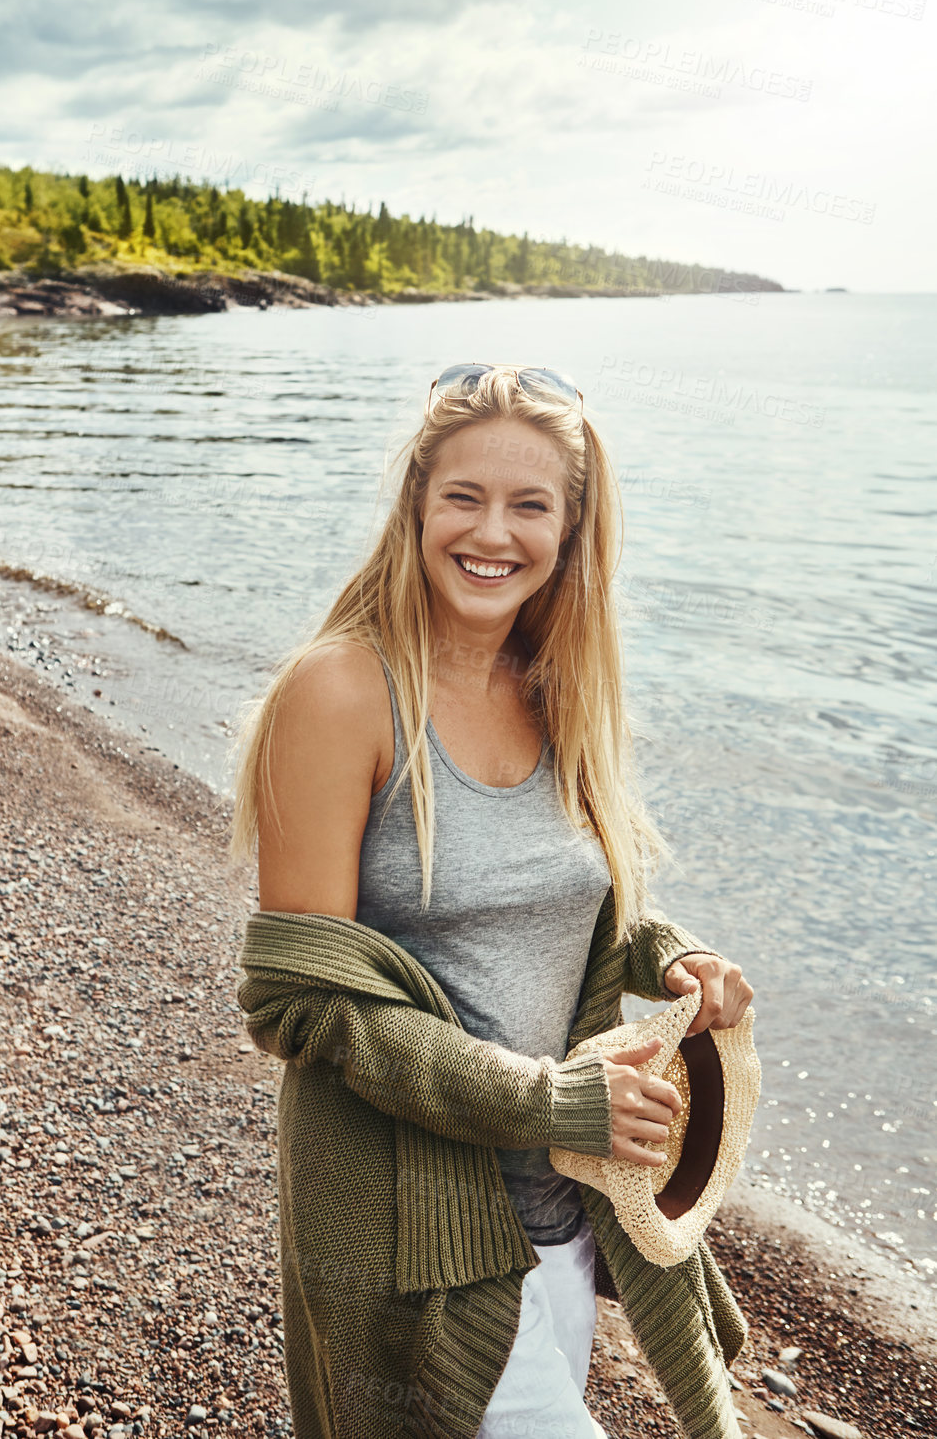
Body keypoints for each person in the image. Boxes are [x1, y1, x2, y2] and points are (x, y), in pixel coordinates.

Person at [231, 362, 754, 1439]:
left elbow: (582, 921)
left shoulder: (556, 687)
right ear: (416, 501)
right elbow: (299, 1004)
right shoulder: (339, 692)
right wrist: (551, 1101)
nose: (491, 532)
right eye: (462, 495)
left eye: (529, 505)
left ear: (569, 530)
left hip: (563, 1218)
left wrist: (669, 959)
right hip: (407, 1232)